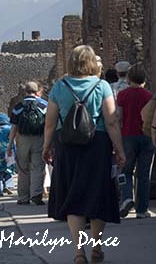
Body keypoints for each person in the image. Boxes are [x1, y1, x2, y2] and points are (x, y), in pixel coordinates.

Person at [43, 45, 125, 264]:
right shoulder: (102, 86)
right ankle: (96, 245)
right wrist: (119, 148)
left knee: (73, 195)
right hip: (97, 145)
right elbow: (111, 121)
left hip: (67, 145)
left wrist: (46, 147)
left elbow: (50, 123)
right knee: (98, 192)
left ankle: (79, 252)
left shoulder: (60, 86)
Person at [117, 63, 154, 219]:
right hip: (146, 136)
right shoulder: (149, 96)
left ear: (129, 78)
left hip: (128, 136)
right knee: (144, 174)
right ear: (144, 79)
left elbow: (118, 117)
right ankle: (142, 209)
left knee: (126, 170)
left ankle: (127, 198)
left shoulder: (122, 95)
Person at [7, 81, 47, 205]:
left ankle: (23, 197)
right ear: (37, 91)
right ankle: (36, 194)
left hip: (22, 139)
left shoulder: (19, 106)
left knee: (23, 168)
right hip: (39, 138)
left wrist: (10, 145)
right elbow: (48, 125)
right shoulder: (44, 104)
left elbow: (14, 127)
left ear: (25, 91)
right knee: (37, 167)